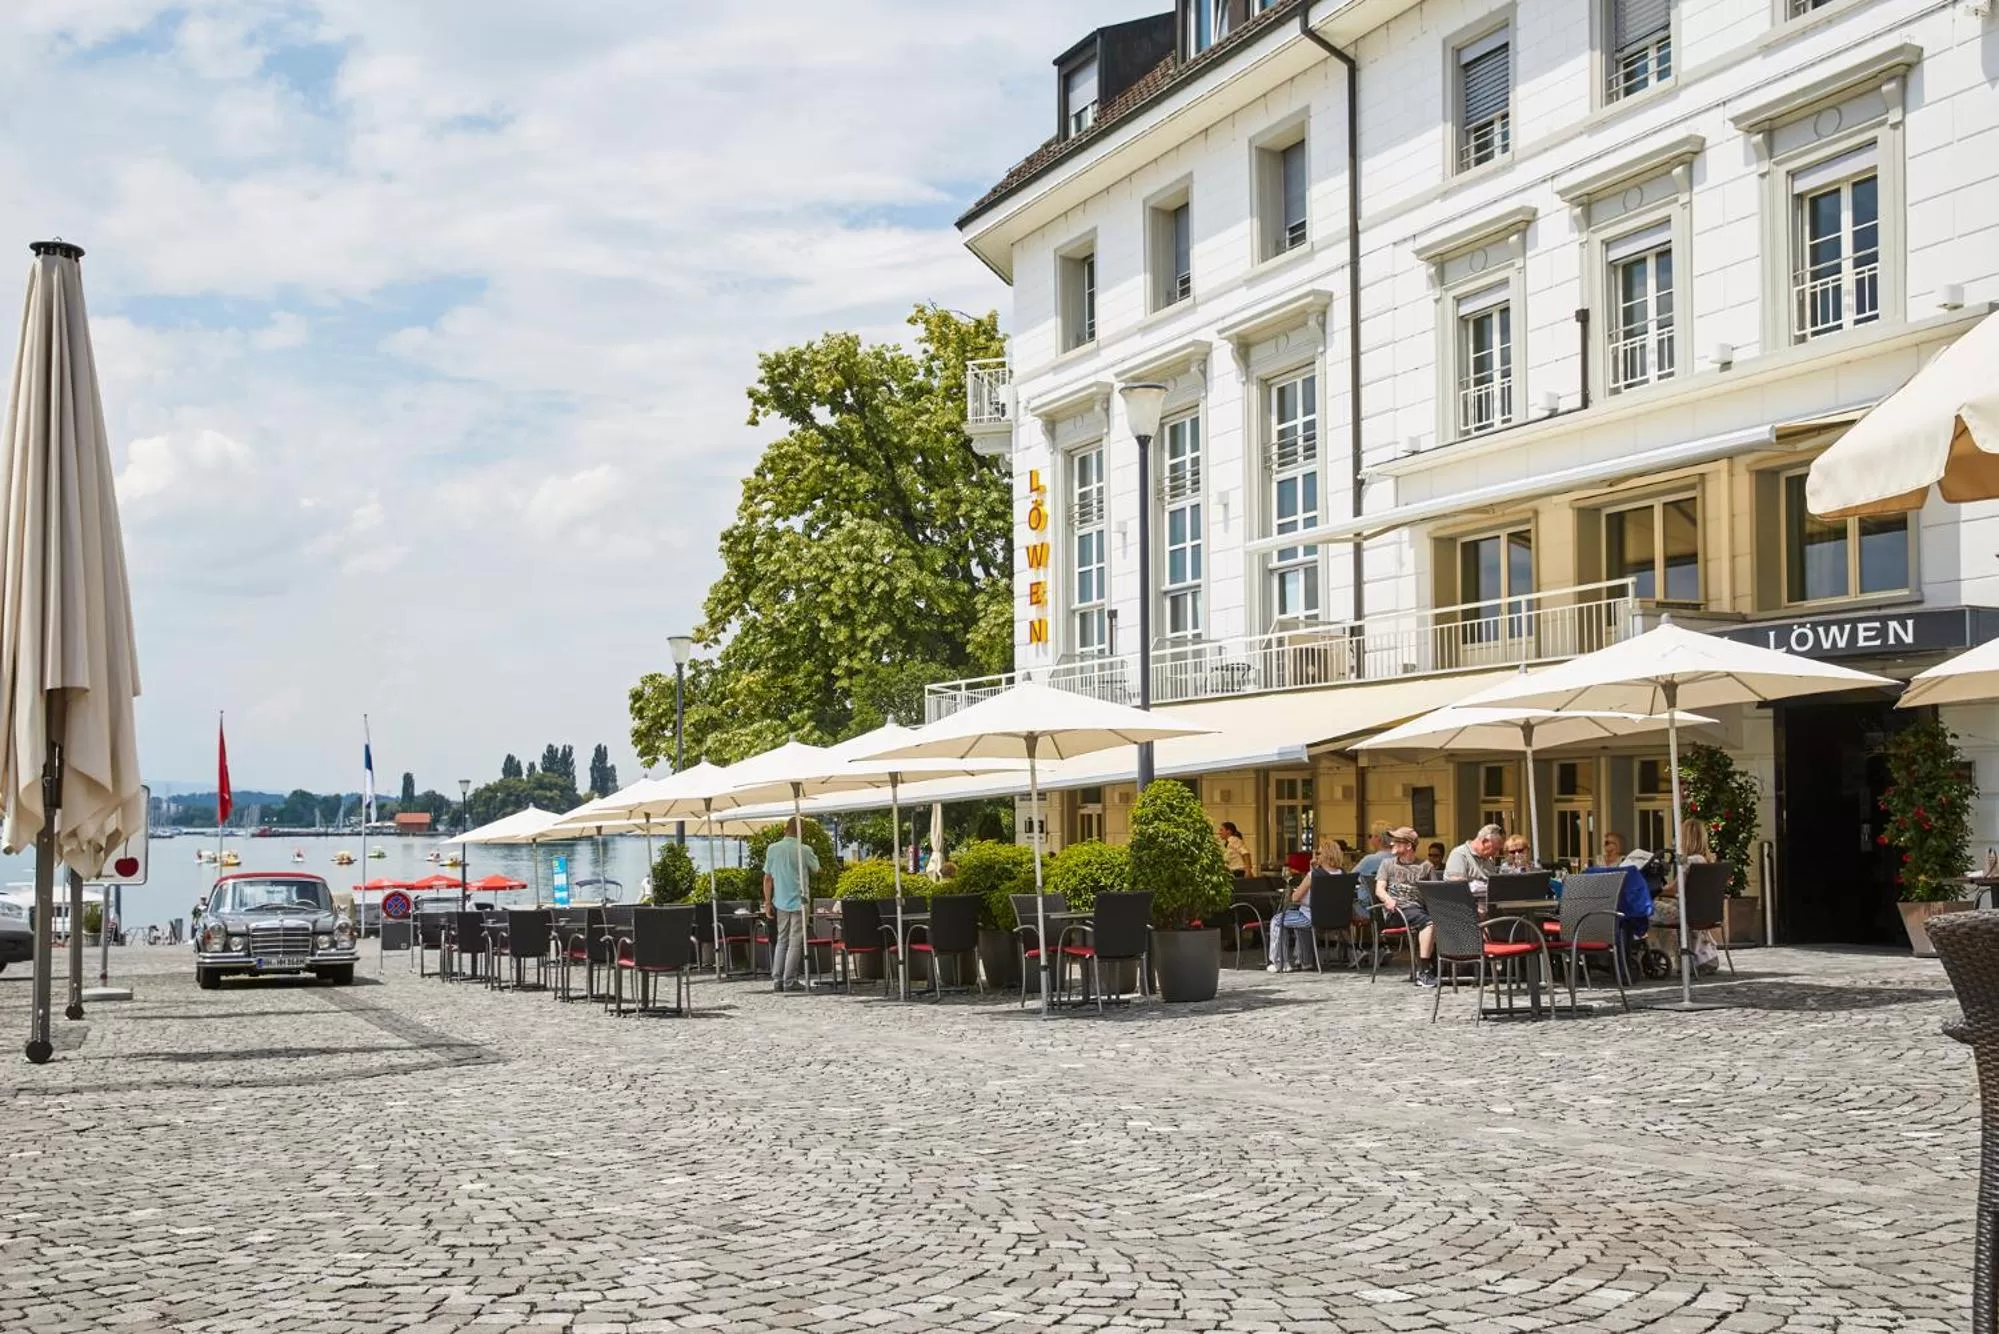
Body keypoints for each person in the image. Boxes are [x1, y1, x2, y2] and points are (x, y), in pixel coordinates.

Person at [762, 817, 821, 993]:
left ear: (785, 829)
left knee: (782, 940)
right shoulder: (804, 849)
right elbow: (817, 869)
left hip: (779, 901)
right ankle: (789, 981)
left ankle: (777, 980)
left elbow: (767, 878)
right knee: (795, 942)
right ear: (801, 831)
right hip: (799, 901)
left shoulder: (772, 849)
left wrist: (767, 902)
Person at [1375, 827, 1438, 987]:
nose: (1392, 844)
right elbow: (1379, 889)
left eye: (1396, 841)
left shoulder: (1425, 866)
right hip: (1396, 912)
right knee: (1429, 924)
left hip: (1417, 910)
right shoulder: (1387, 864)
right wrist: (1388, 900)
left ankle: (1443, 967)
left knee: (1437, 920)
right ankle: (1424, 971)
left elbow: (1434, 894)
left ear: (1409, 845)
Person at [1267, 843, 1344, 972]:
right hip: (1335, 918)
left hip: (1312, 917)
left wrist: (1310, 873)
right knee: (1299, 922)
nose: (1315, 856)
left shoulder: (1313, 875)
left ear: (1326, 855)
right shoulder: (1341, 874)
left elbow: (1295, 898)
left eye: (1318, 853)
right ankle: (1306, 961)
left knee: (1277, 921)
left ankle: (1280, 962)